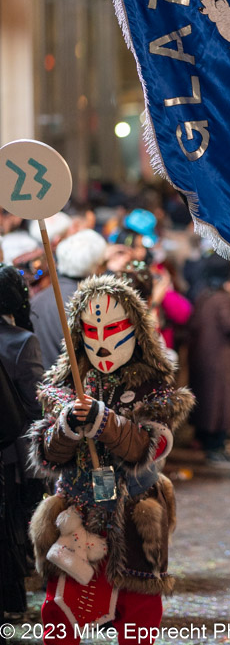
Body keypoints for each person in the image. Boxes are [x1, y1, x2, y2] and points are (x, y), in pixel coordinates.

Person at [28, 273, 194, 644]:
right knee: (60, 611)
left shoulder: (155, 388)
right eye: (91, 331)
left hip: (133, 515)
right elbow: (46, 454)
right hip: (75, 515)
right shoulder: (65, 385)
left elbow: (148, 446)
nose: (101, 343)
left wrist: (106, 421)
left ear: (134, 328)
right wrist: (68, 426)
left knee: (137, 613)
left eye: (113, 328)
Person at [0, 265, 44, 621]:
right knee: (11, 527)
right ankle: (12, 601)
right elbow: (36, 403)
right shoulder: (21, 340)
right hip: (11, 452)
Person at [187, 258, 230, 470]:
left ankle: (201, 437)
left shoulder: (202, 296)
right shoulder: (223, 298)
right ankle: (215, 446)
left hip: (200, 356)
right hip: (218, 357)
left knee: (204, 396)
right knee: (219, 400)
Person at [30, 229, 108, 370]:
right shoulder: (93, 305)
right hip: (75, 387)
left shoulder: (38, 300)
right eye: (104, 263)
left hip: (42, 386)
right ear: (97, 267)